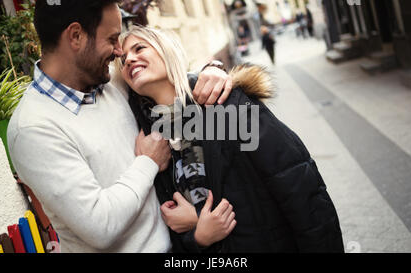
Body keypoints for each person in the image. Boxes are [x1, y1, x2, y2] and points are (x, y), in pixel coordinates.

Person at [7, 0, 233, 253]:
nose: (119, 52)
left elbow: (165, 76)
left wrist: (212, 71)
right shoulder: (32, 128)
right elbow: (100, 227)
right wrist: (147, 162)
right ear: (76, 36)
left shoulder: (109, 83)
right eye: (113, 38)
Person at [116, 25, 345, 253]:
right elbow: (172, 234)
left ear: (166, 49)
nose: (129, 60)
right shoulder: (152, 142)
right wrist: (198, 238)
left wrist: (198, 219)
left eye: (139, 48)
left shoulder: (224, 104)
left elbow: (296, 183)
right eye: (123, 58)